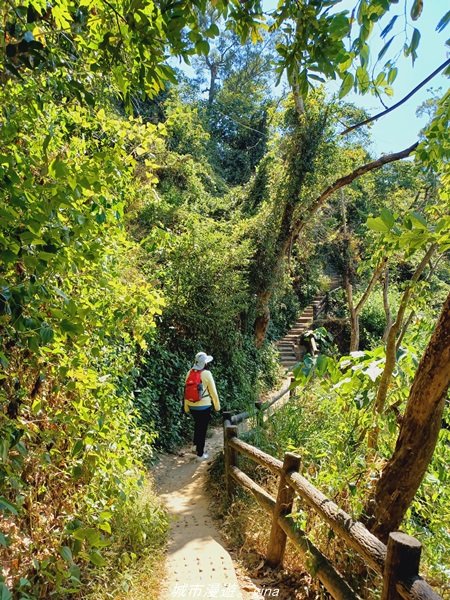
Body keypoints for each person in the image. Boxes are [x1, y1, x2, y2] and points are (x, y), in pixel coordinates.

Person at [184, 351, 221, 460]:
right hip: (204, 406)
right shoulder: (206, 374)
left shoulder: (189, 372)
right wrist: (217, 406)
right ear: (204, 363)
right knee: (202, 428)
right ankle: (200, 453)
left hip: (191, 405)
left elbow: (185, 391)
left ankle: (195, 446)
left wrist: (186, 407)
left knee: (197, 424)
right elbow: (213, 392)